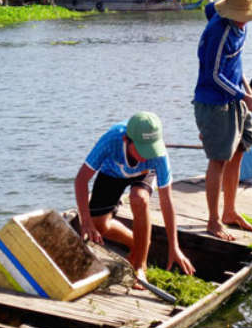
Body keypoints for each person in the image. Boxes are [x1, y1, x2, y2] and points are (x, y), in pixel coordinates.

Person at [75, 112, 195, 285]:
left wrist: (174, 246)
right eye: (142, 150)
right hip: (113, 172)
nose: (147, 156)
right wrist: (86, 221)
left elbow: (166, 201)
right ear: (126, 140)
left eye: (150, 150)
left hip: (144, 174)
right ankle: (137, 242)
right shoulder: (111, 140)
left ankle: (140, 265)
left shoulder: (158, 156)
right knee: (98, 226)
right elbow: (81, 179)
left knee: (139, 198)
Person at [193, 0, 252, 240]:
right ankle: (213, 221)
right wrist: (244, 95)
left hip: (234, 97)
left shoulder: (227, 17)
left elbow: (208, 8)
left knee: (242, 146)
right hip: (215, 102)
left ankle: (230, 211)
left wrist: (242, 95)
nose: (247, 20)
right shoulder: (220, 33)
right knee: (219, 159)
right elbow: (213, 75)